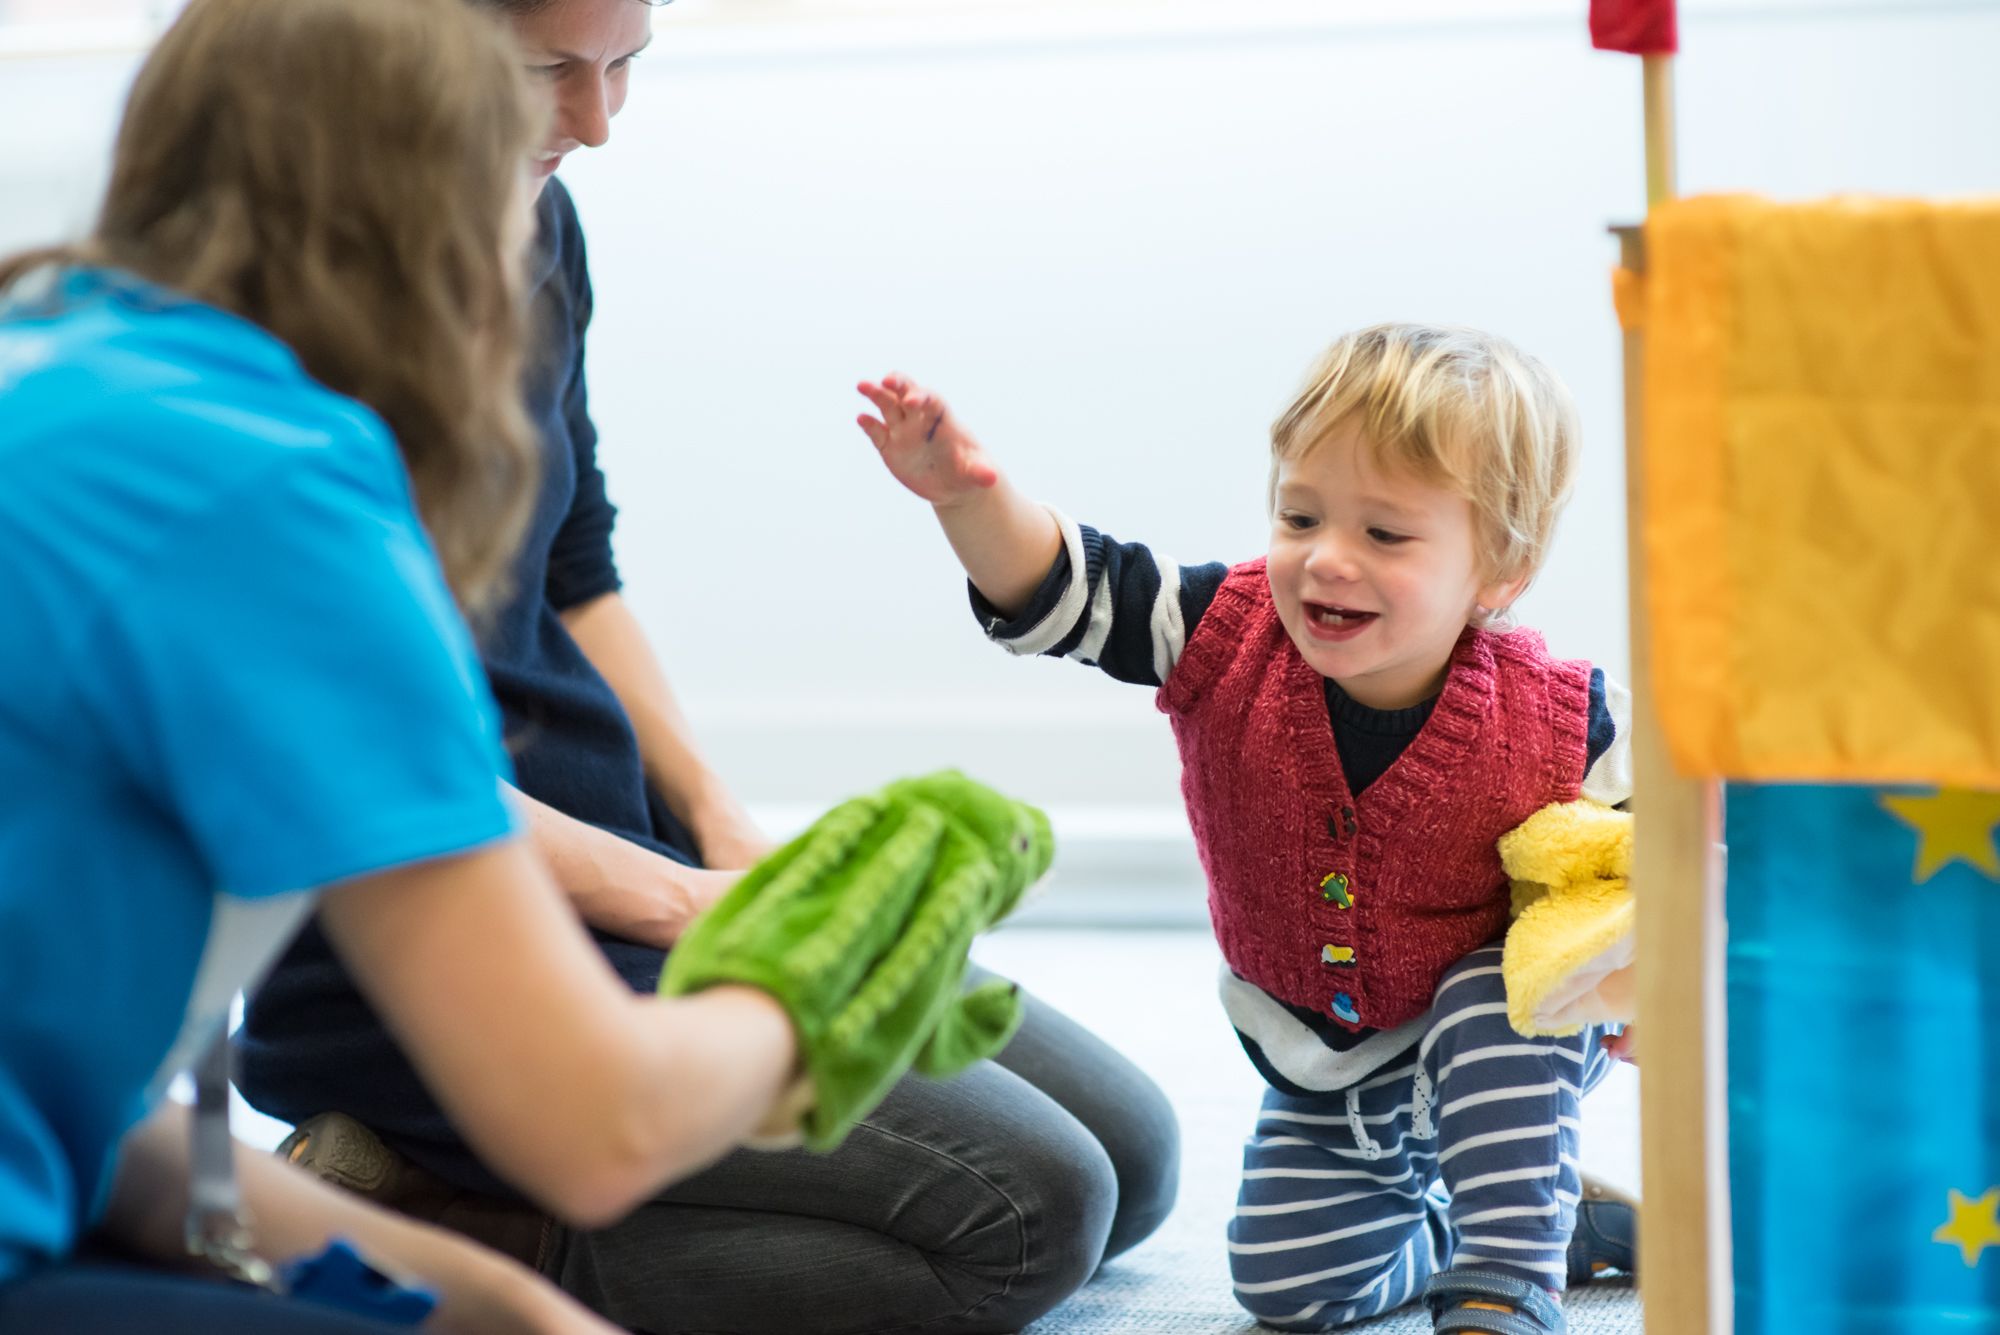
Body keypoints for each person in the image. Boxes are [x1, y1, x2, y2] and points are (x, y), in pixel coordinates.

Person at [236, 1, 1181, 1331]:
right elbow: (351, 763)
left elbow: (577, 559)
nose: (598, 123)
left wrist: (719, 822)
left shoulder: (543, 224)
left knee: (1137, 1161)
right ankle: (439, 1217)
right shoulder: (283, 321)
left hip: (615, 862)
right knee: (1034, 1215)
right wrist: (683, 902)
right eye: (545, 72)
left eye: (627, 66)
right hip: (430, 929)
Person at [0, 0, 806, 1329]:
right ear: (438, 204)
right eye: (535, 114)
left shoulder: (60, 361)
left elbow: (96, 1126)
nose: (571, 161)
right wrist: (821, 968)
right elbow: (595, 1124)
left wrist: (498, 1304)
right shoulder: (275, 484)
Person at [856, 324, 1641, 1334]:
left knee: (1496, 994)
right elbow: (1062, 585)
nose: (1325, 559)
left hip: (1501, 1045)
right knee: (1287, 1288)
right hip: (1322, 1049)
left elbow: (1677, 849)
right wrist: (969, 498)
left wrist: (1643, 974)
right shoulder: (1217, 633)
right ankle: (1519, 1229)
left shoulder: (1564, 716)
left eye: (1384, 535)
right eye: (1299, 514)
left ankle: (1504, 1275)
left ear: (1498, 570)